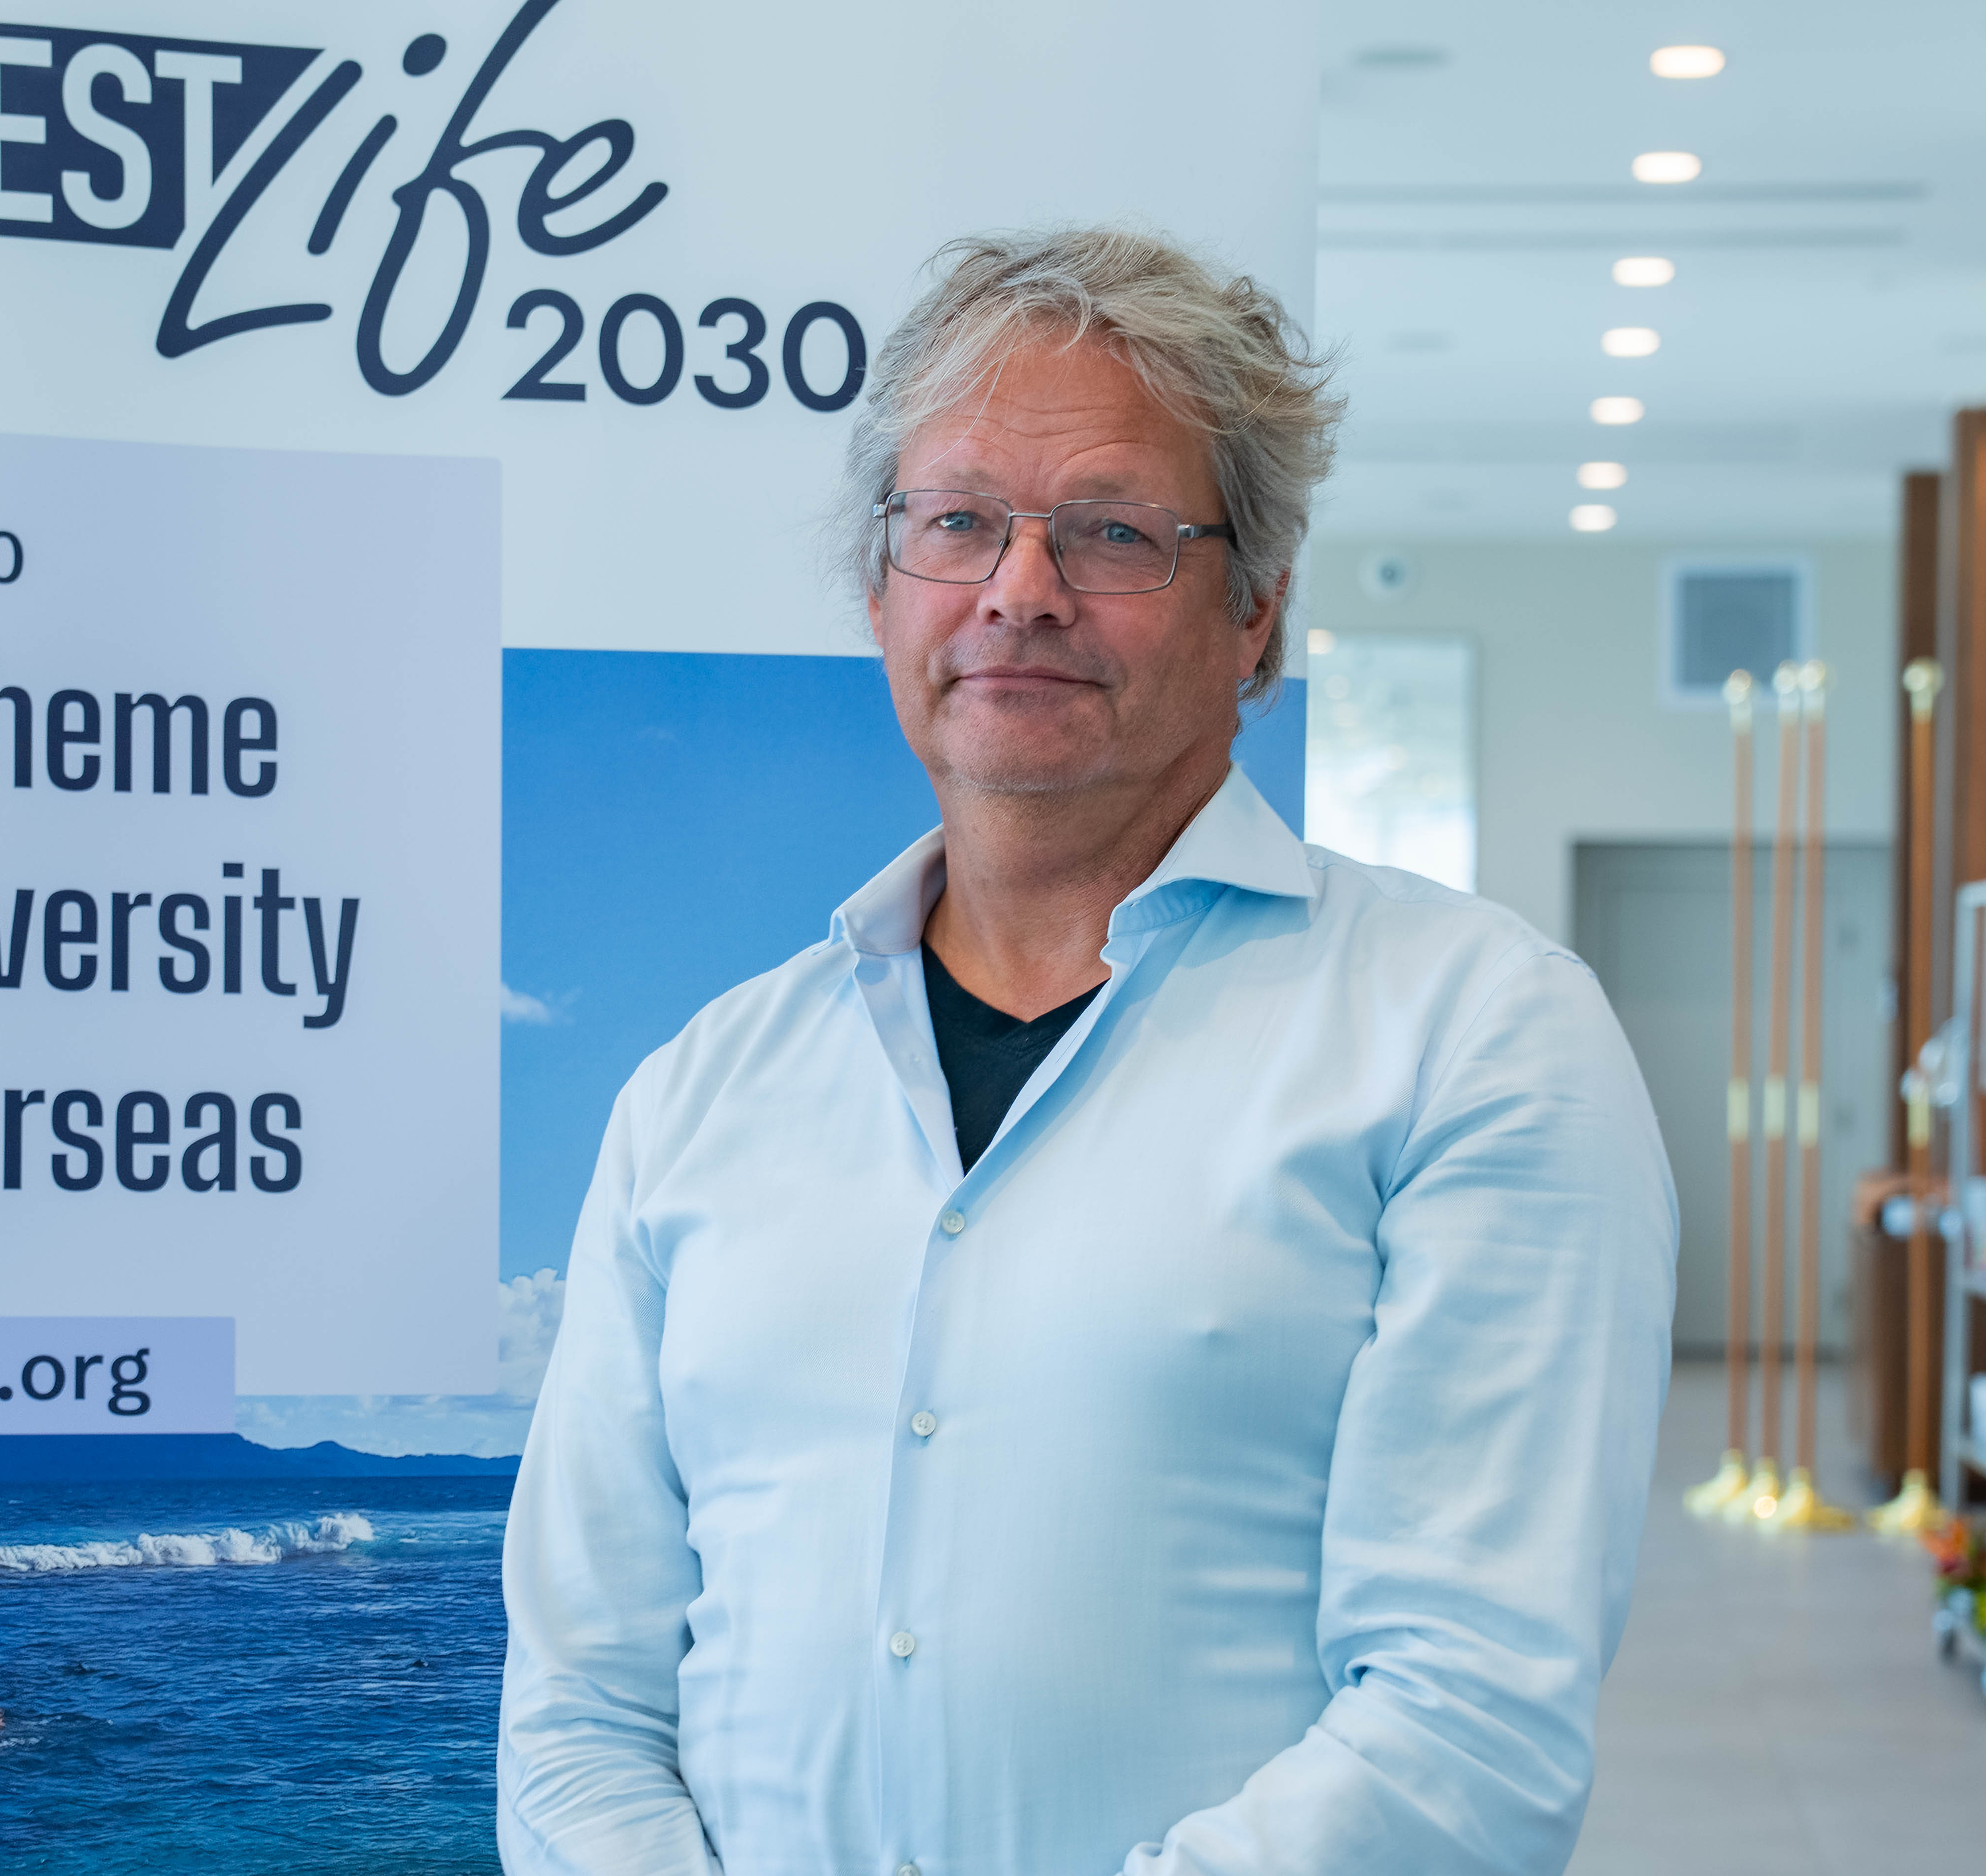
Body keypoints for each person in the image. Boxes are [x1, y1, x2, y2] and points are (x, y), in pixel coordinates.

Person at [496, 226, 1675, 1876]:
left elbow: (1467, 1728)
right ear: (880, 591)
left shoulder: (1475, 1039)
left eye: (1115, 532)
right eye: (958, 522)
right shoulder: (702, 1093)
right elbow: (579, 1710)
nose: (1020, 590)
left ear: (1257, 612)